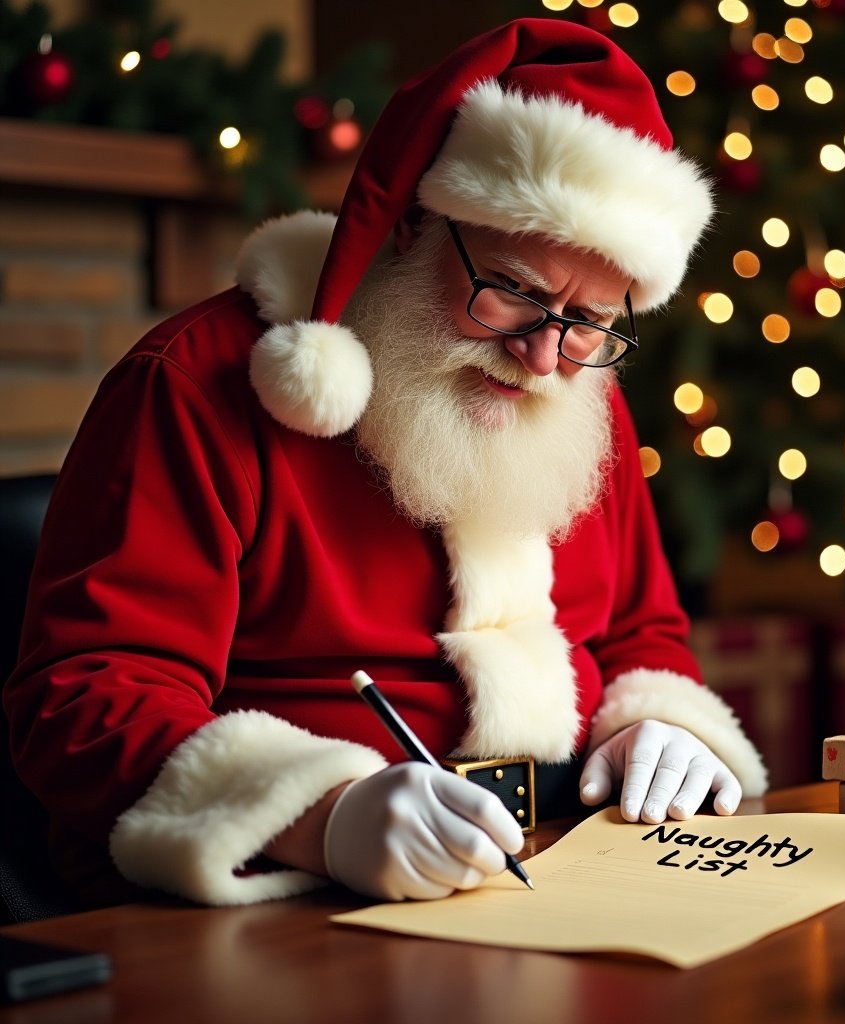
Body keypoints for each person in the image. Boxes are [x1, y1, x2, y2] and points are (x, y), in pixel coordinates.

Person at [4, 17, 767, 907]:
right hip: (273, 898)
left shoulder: (583, 392)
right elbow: (87, 696)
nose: (545, 358)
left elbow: (642, 630)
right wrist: (319, 811)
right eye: (516, 290)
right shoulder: (195, 382)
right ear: (412, 220)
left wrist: (656, 724)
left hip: (557, 870)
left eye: (592, 318)